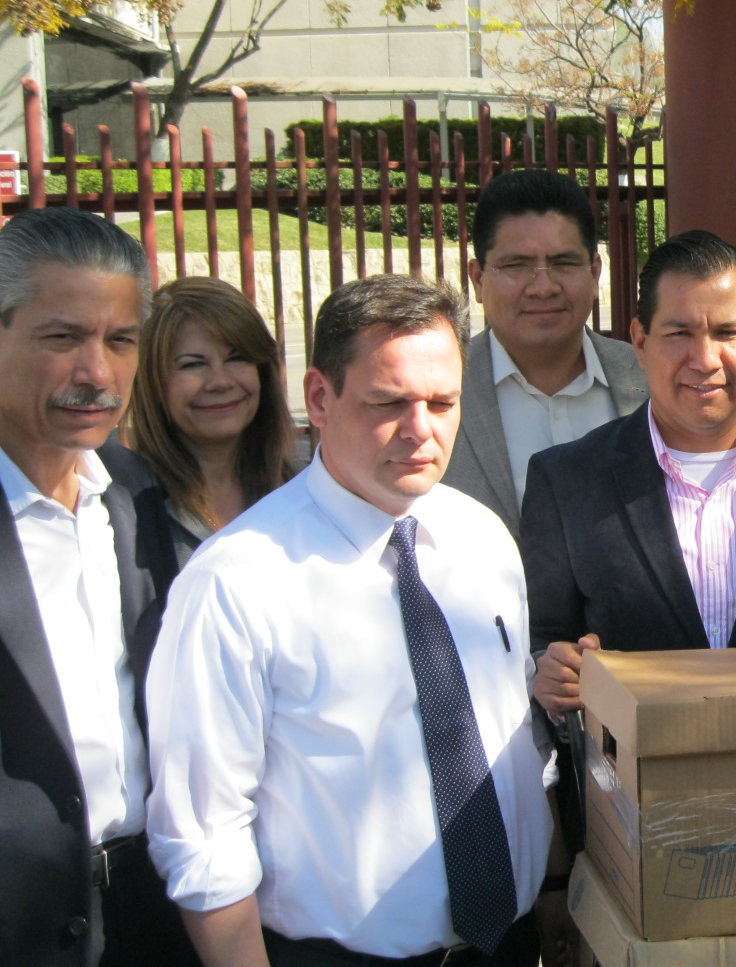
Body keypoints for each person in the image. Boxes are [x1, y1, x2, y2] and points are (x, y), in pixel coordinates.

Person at [146, 276, 559, 967]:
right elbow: (203, 836)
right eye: (388, 402)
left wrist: (551, 889)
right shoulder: (235, 582)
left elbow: (515, 746)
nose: (420, 430)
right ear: (319, 397)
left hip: (508, 944)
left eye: (442, 402)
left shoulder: (483, 538)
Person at [526, 230, 736, 717]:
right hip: (637, 775)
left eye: (727, 333)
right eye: (679, 334)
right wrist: (550, 668)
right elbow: (542, 636)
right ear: (641, 342)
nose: (705, 360)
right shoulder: (566, 480)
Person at [0, 207, 190, 967]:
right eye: (62, 338)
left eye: (119, 341)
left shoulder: (137, 492)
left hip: (150, 909)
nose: (97, 373)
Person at [447, 168, 648, 539]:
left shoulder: (649, 379)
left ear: (595, 272)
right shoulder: (440, 392)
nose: (543, 287)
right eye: (516, 266)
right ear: (477, 279)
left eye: (563, 263)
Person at [123, 277, 298, 565]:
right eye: (193, 364)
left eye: (237, 358)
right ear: (152, 382)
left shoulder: (302, 491)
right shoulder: (128, 511)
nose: (220, 382)